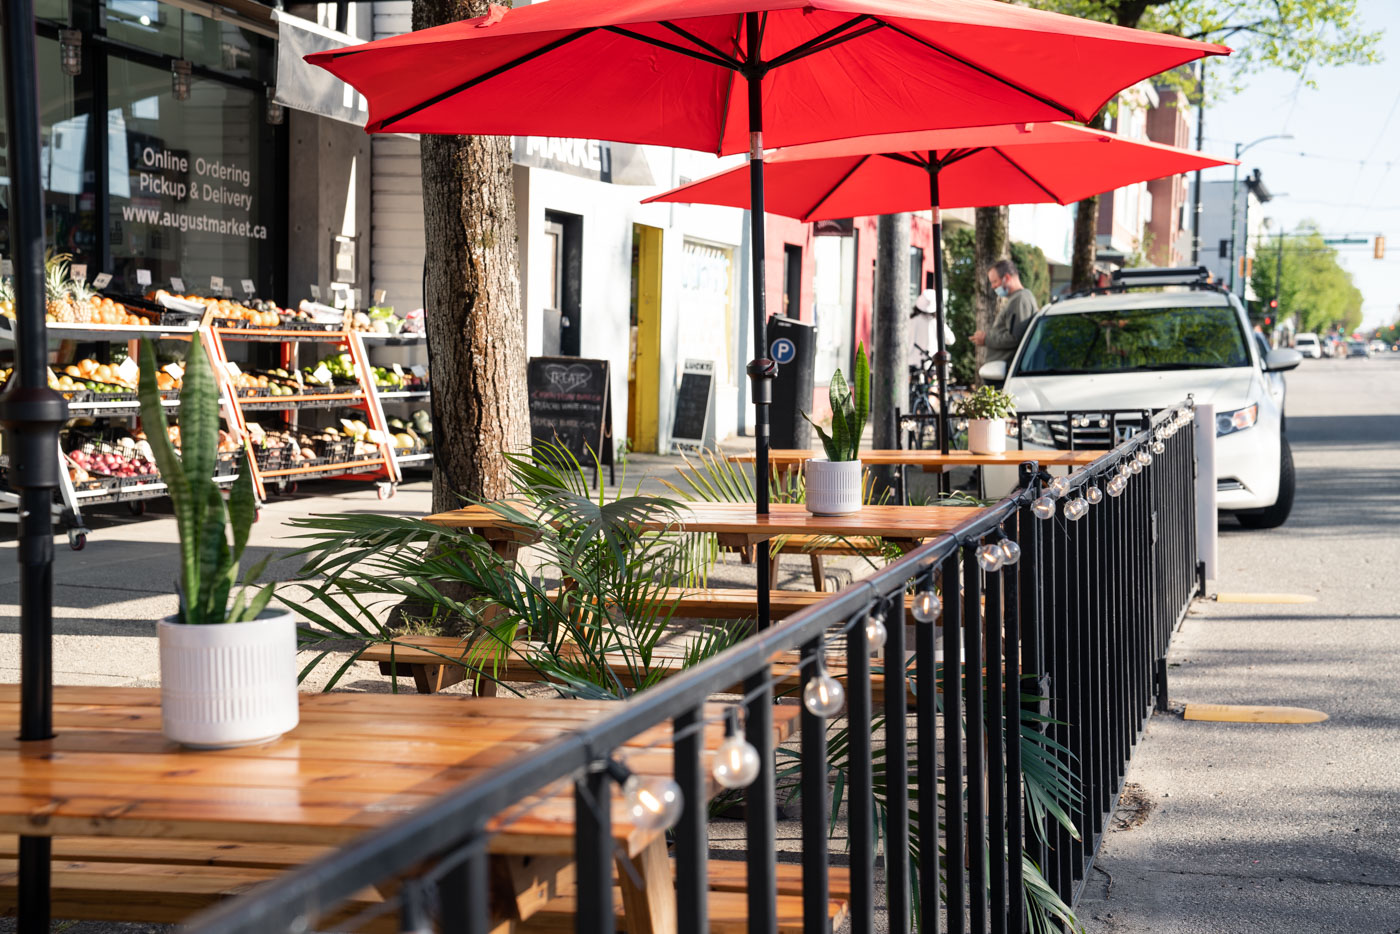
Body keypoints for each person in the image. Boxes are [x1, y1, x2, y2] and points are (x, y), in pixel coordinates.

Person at [972, 259, 1039, 366]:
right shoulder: (1018, 298)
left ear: (1007, 278)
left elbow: (1014, 338)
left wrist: (986, 339)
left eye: (994, 281)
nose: (993, 286)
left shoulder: (1020, 299)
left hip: (1005, 370)